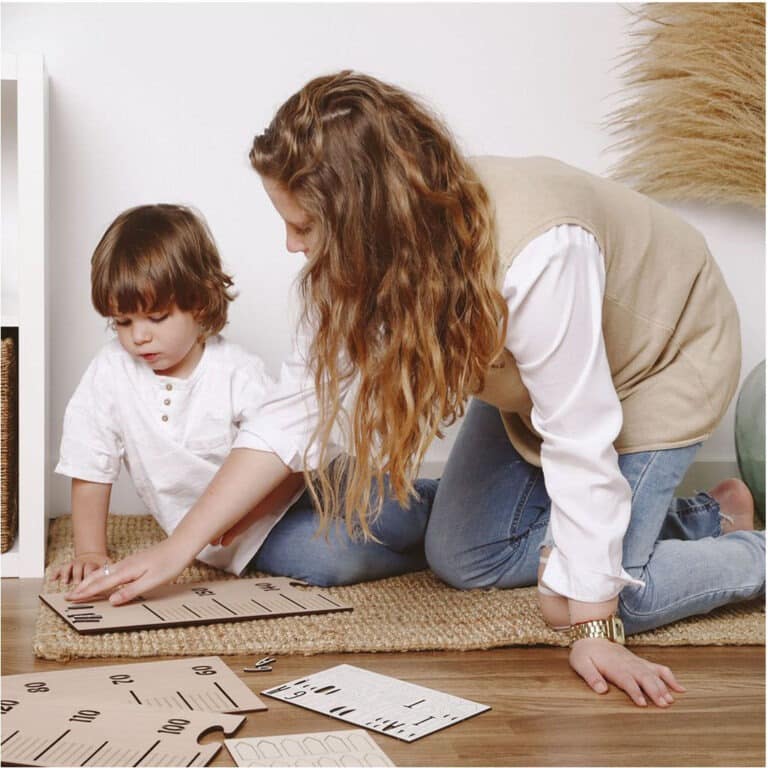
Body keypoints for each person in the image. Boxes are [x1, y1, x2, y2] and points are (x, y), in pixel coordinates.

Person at [70, 72, 765, 708]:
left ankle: (743, 549)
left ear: (366, 216)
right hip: (532, 385)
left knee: (609, 595)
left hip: (660, 359)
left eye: (304, 226)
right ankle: (693, 515)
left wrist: (593, 618)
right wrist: (177, 550)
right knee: (461, 557)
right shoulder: (356, 267)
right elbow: (292, 417)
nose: (289, 245)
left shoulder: (541, 251)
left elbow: (580, 429)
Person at [54, 202, 436, 586]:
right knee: (332, 562)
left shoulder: (234, 370)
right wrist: (90, 551)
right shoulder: (110, 373)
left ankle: (437, 504)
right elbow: (91, 462)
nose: (139, 336)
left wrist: (250, 514)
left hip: (306, 479)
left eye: (156, 318)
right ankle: (427, 555)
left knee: (395, 514)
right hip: (232, 537)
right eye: (122, 321)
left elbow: (290, 453)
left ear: (199, 304)